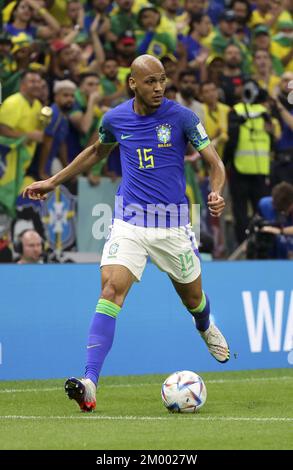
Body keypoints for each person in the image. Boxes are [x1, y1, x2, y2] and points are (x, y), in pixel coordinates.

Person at [23, 55, 230, 413]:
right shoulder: (115, 118)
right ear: (133, 82)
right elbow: (96, 152)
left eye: (162, 80)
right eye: (150, 81)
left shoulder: (182, 117)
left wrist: (215, 191)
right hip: (129, 222)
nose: (158, 87)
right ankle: (89, 382)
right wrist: (54, 181)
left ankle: (205, 324)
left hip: (172, 225)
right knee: (110, 291)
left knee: (192, 298)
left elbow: (215, 162)